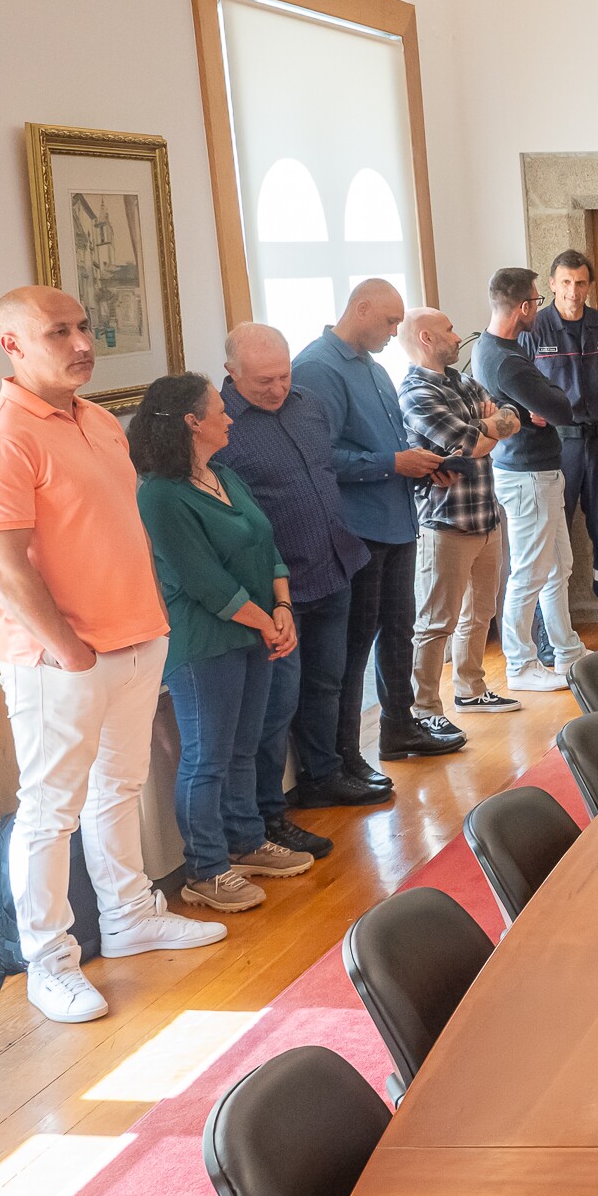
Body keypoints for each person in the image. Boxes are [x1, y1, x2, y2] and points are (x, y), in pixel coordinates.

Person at [0, 287, 224, 1024]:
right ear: (12, 345)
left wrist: (150, 622)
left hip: (136, 639)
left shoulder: (98, 420)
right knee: (49, 813)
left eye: (83, 327)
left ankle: (129, 915)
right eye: (57, 332)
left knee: (118, 788)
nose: (80, 343)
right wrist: (68, 650)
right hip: (58, 661)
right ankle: (49, 962)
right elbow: (3, 565)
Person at [131, 375, 314, 912]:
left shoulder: (225, 474)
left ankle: (246, 841)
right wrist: (268, 623)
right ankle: (205, 869)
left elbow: (268, 545)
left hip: (256, 628)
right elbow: (203, 581)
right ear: (193, 423)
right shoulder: (160, 495)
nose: (230, 417)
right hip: (206, 642)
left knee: (243, 747)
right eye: (219, 409)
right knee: (206, 757)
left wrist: (282, 609)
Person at [294, 279, 464, 772]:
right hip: (359, 529)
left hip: (396, 520)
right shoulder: (318, 368)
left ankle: (399, 726)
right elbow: (319, 458)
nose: (395, 331)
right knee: (354, 645)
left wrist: (423, 466)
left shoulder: (372, 365)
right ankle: (345, 755)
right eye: (389, 322)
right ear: (361, 309)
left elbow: (391, 443)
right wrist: (394, 464)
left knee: (398, 631)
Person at [217, 323, 373, 849]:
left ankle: (323, 775)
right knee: (275, 705)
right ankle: (267, 814)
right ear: (231, 373)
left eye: (283, 376)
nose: (278, 388)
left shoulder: (308, 404)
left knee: (328, 683)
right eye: (264, 381)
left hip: (332, 565)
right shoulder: (221, 426)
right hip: (277, 589)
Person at [399, 307, 523, 719]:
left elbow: (512, 416)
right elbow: (468, 441)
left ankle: (471, 690)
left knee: (481, 612)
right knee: (437, 622)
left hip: (486, 517)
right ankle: (424, 709)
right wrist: (489, 427)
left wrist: (490, 426)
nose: (457, 337)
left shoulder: (464, 381)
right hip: (446, 522)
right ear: (426, 338)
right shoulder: (415, 392)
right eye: (449, 330)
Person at [521, 249, 598, 653]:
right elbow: (517, 386)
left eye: (581, 283)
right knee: (549, 538)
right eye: (566, 283)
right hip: (556, 446)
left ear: (589, 285)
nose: (573, 291)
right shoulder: (534, 328)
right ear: (552, 284)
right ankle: (546, 631)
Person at [471, 267, 586, 686]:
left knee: (558, 567)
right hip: (528, 475)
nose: (538, 308)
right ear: (522, 307)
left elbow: (547, 406)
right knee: (530, 572)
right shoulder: (507, 361)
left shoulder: (494, 347)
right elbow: (562, 408)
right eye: (537, 301)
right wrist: (535, 407)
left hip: (536, 471)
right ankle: (520, 664)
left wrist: (526, 408)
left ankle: (567, 652)